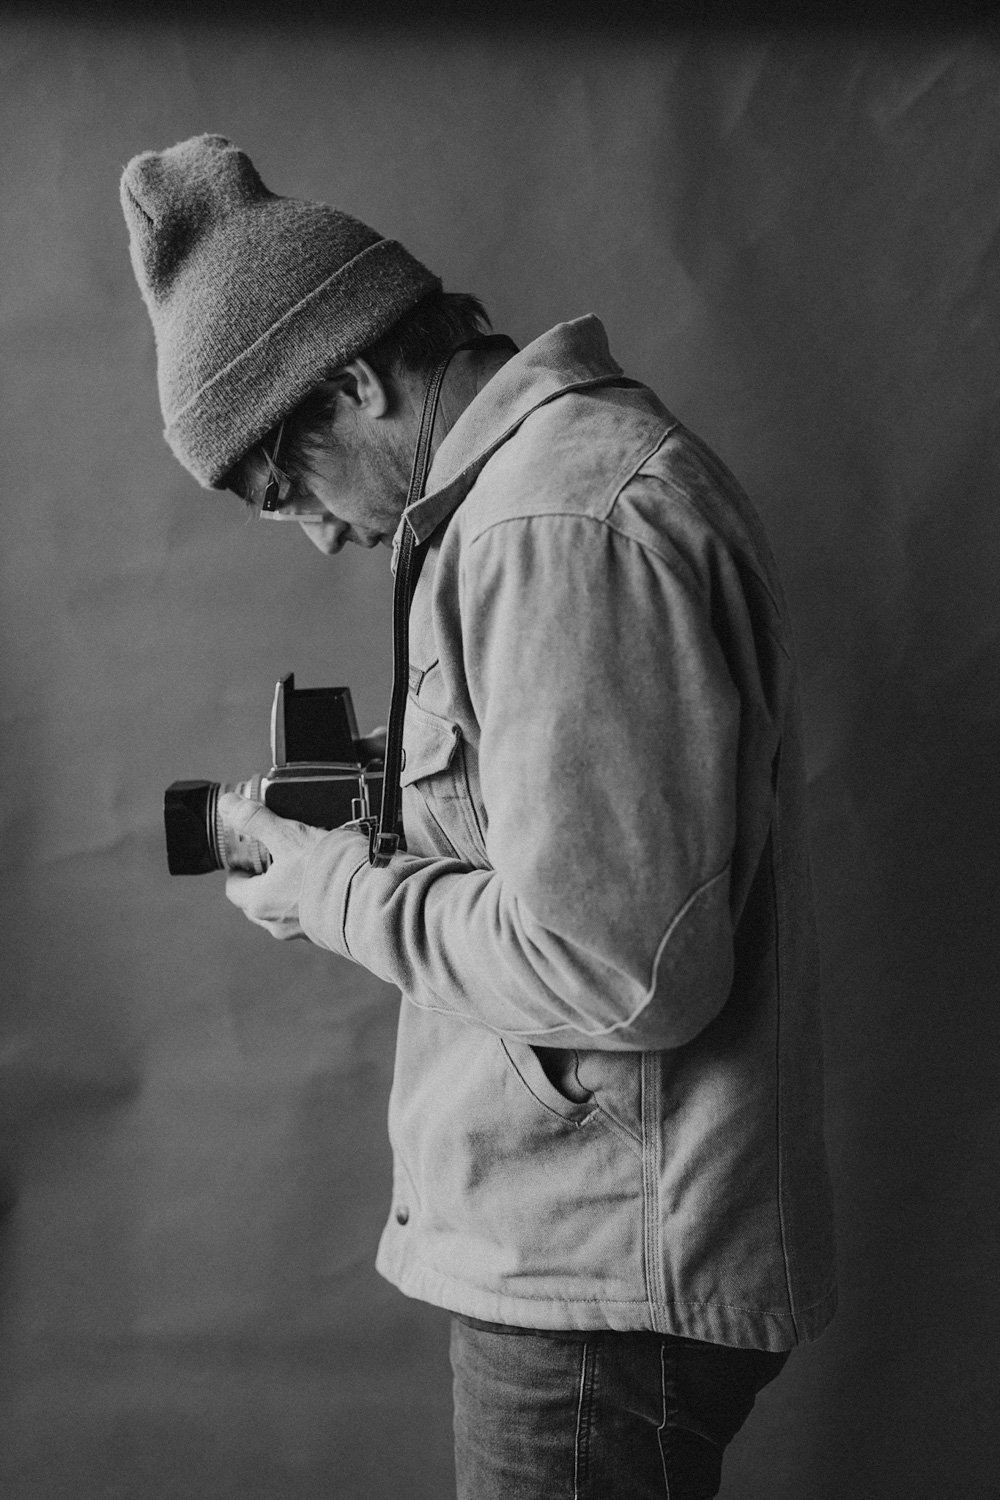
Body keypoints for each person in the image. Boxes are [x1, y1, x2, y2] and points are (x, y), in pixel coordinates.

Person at [121, 134, 836, 1499]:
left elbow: (618, 966)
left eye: (289, 489)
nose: (321, 537)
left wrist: (329, 892)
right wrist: (395, 793)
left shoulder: (551, 526)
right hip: (597, 1257)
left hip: (594, 1286)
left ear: (356, 380)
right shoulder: (541, 500)